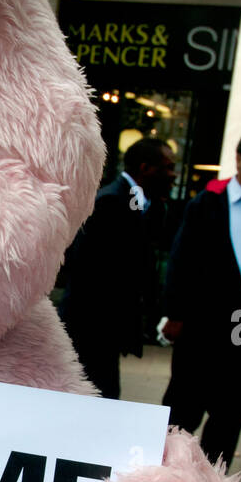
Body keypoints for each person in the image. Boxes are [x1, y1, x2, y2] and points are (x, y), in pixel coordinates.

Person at [161, 128, 241, 469]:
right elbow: (182, 259)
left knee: (229, 417)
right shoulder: (208, 202)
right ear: (239, 158)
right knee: (181, 413)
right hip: (204, 325)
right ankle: (160, 477)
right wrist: (174, 314)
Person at [58, 137, 175, 398]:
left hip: (105, 332)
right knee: (99, 398)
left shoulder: (147, 204)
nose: (173, 175)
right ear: (146, 168)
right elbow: (87, 273)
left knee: (103, 398)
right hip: (90, 329)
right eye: (168, 167)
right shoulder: (109, 203)